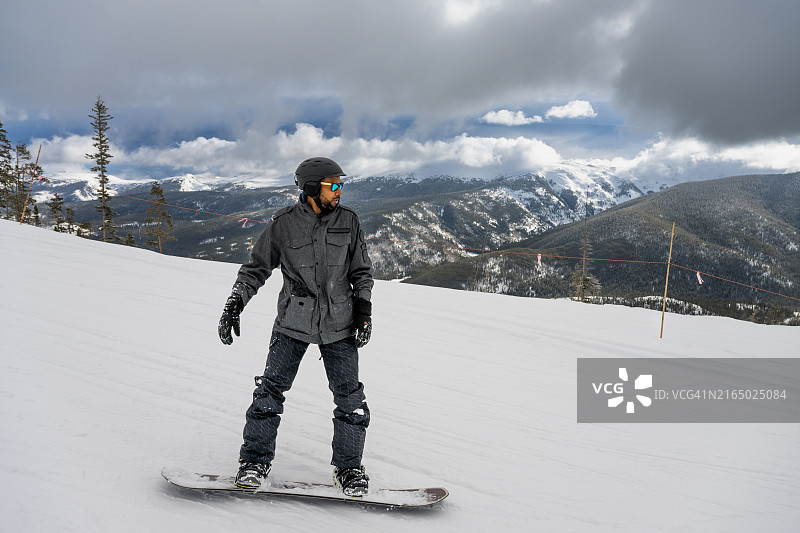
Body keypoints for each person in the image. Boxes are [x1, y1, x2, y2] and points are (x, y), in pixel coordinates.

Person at [217, 156, 374, 497]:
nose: (339, 190)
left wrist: (364, 310)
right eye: (334, 185)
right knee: (269, 393)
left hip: (340, 323)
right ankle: (255, 462)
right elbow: (256, 268)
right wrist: (236, 301)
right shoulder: (283, 225)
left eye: (341, 184)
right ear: (311, 188)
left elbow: (361, 272)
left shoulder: (349, 221)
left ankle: (348, 469)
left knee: (351, 400)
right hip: (293, 322)